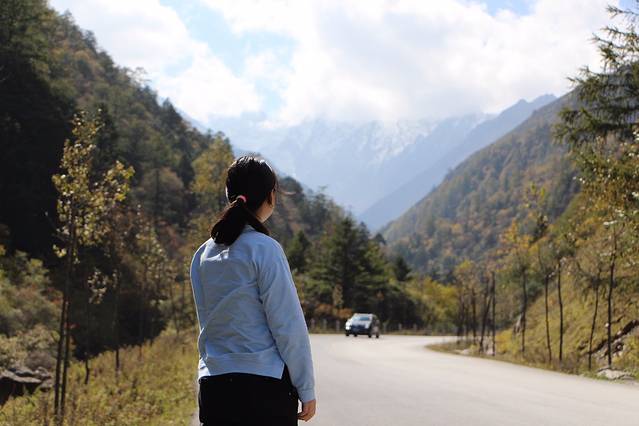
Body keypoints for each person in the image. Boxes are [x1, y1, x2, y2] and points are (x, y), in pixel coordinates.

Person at [190, 156, 316, 425]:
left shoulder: (203, 254)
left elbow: (206, 322)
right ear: (271, 196)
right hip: (264, 389)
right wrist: (306, 388)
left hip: (215, 388)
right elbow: (287, 325)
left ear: (229, 194)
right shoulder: (265, 249)